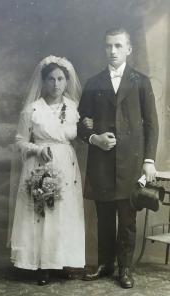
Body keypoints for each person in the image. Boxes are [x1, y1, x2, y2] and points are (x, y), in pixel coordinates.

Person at [77, 28, 159, 289]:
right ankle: (105, 264)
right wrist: (94, 139)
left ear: (129, 49)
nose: (112, 51)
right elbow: (79, 123)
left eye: (118, 46)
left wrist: (149, 160)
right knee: (103, 216)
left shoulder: (141, 81)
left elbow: (151, 126)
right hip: (101, 162)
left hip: (131, 162)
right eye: (108, 46)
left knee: (127, 218)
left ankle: (124, 268)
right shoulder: (93, 82)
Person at [8, 56, 85, 285]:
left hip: (66, 163)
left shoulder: (73, 108)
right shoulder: (33, 109)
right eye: (51, 79)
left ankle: (59, 261)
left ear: (66, 81)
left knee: (63, 212)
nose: (56, 84)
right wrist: (36, 148)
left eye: (60, 79)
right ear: (43, 81)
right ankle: (41, 265)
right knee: (41, 212)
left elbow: (80, 135)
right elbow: (20, 141)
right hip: (39, 164)